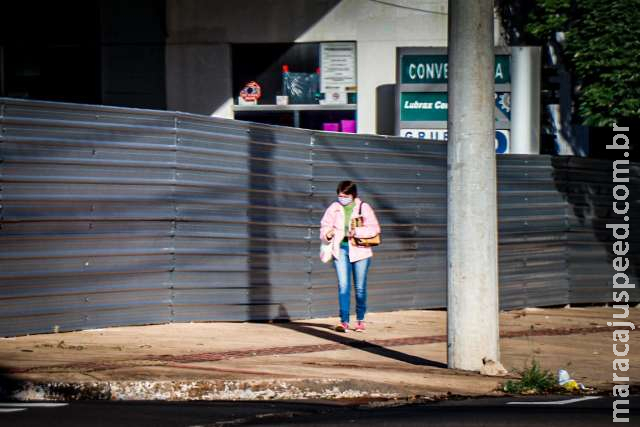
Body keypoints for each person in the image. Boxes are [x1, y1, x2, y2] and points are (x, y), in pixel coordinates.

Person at [320, 181, 381, 333]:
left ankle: (360, 320)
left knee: (360, 288)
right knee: (343, 286)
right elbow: (325, 226)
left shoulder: (363, 207)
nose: (342, 198)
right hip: (340, 249)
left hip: (360, 251)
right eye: (340, 195)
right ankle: (344, 321)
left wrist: (357, 232)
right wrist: (327, 234)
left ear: (353, 195)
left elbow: (374, 229)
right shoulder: (334, 208)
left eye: (345, 196)